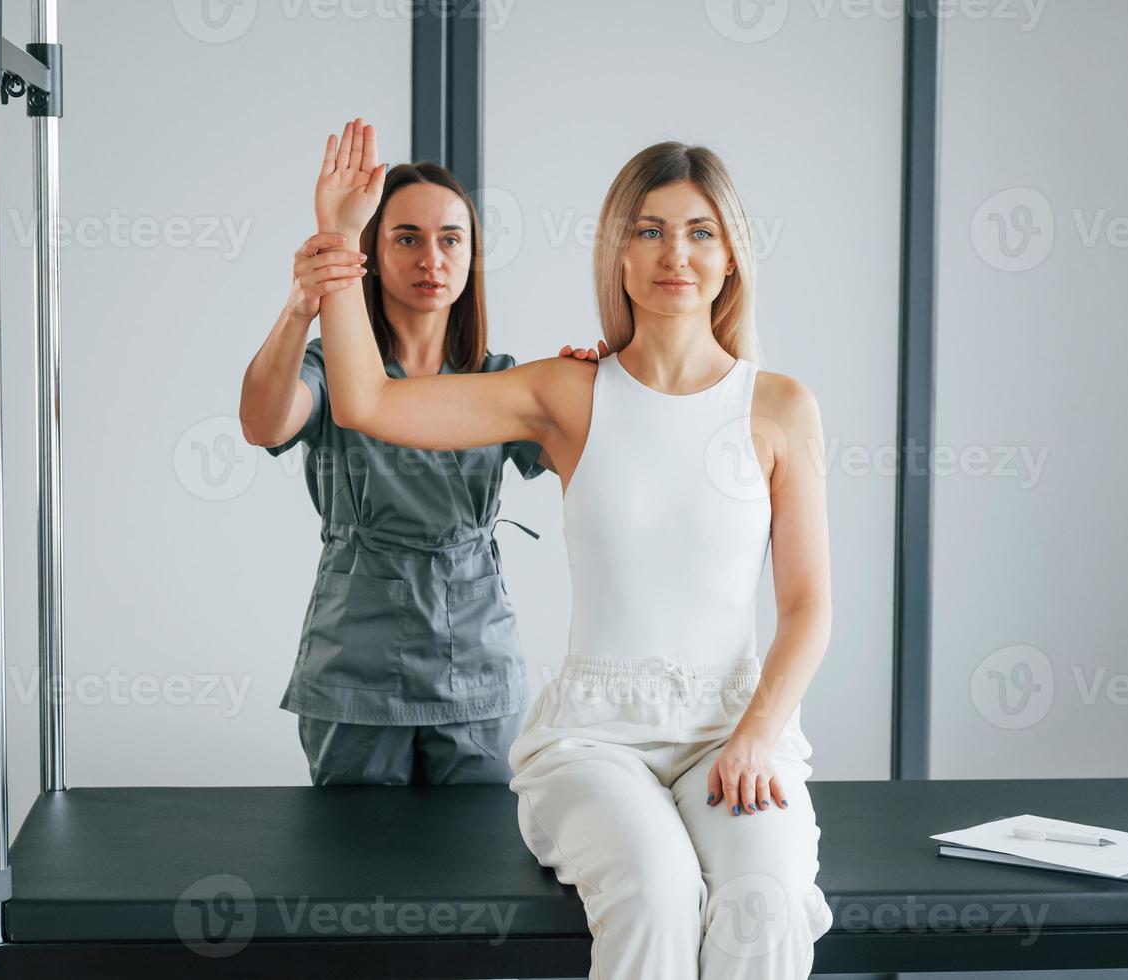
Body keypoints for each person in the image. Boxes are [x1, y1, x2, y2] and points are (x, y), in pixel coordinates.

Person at [311, 117, 835, 978]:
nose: (677, 254)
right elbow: (364, 401)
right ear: (618, 255)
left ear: (731, 255)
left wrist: (755, 736)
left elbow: (809, 605)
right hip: (595, 743)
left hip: (735, 731)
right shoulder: (567, 392)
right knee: (656, 892)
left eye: (701, 232)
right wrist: (338, 240)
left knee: (766, 906)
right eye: (651, 230)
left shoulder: (780, 407)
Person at [240, 156, 603, 786]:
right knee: (353, 867)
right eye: (406, 238)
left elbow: (589, 461)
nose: (430, 259)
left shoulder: (500, 379)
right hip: (355, 656)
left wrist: (585, 389)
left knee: (482, 867)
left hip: (477, 656)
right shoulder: (332, 370)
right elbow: (263, 425)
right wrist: (302, 307)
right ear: (374, 254)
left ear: (470, 257)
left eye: (450, 239)